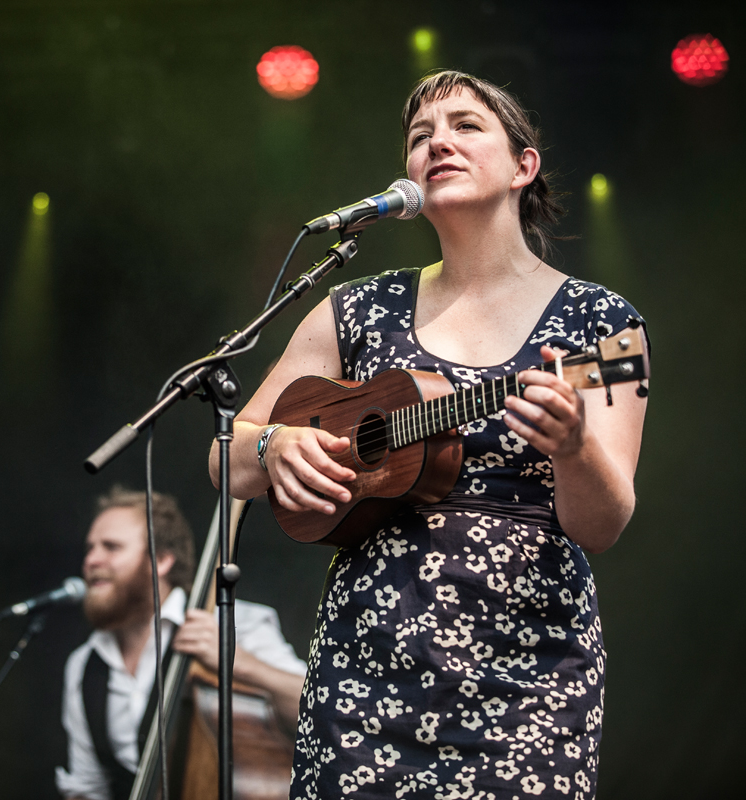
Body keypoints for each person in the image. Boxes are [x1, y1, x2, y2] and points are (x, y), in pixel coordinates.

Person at [209, 71, 648, 799]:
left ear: (522, 166)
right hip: (365, 672)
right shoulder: (352, 309)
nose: (438, 142)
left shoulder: (601, 327)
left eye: (466, 126)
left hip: (527, 682)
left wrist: (572, 450)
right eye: (420, 137)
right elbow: (227, 455)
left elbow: (602, 525)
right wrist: (274, 446)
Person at [55, 486, 308, 800]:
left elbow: (318, 709)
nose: (91, 560)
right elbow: (88, 787)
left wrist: (242, 664)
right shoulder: (84, 664)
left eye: (111, 547)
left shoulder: (234, 623)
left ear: (161, 560)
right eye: (90, 548)